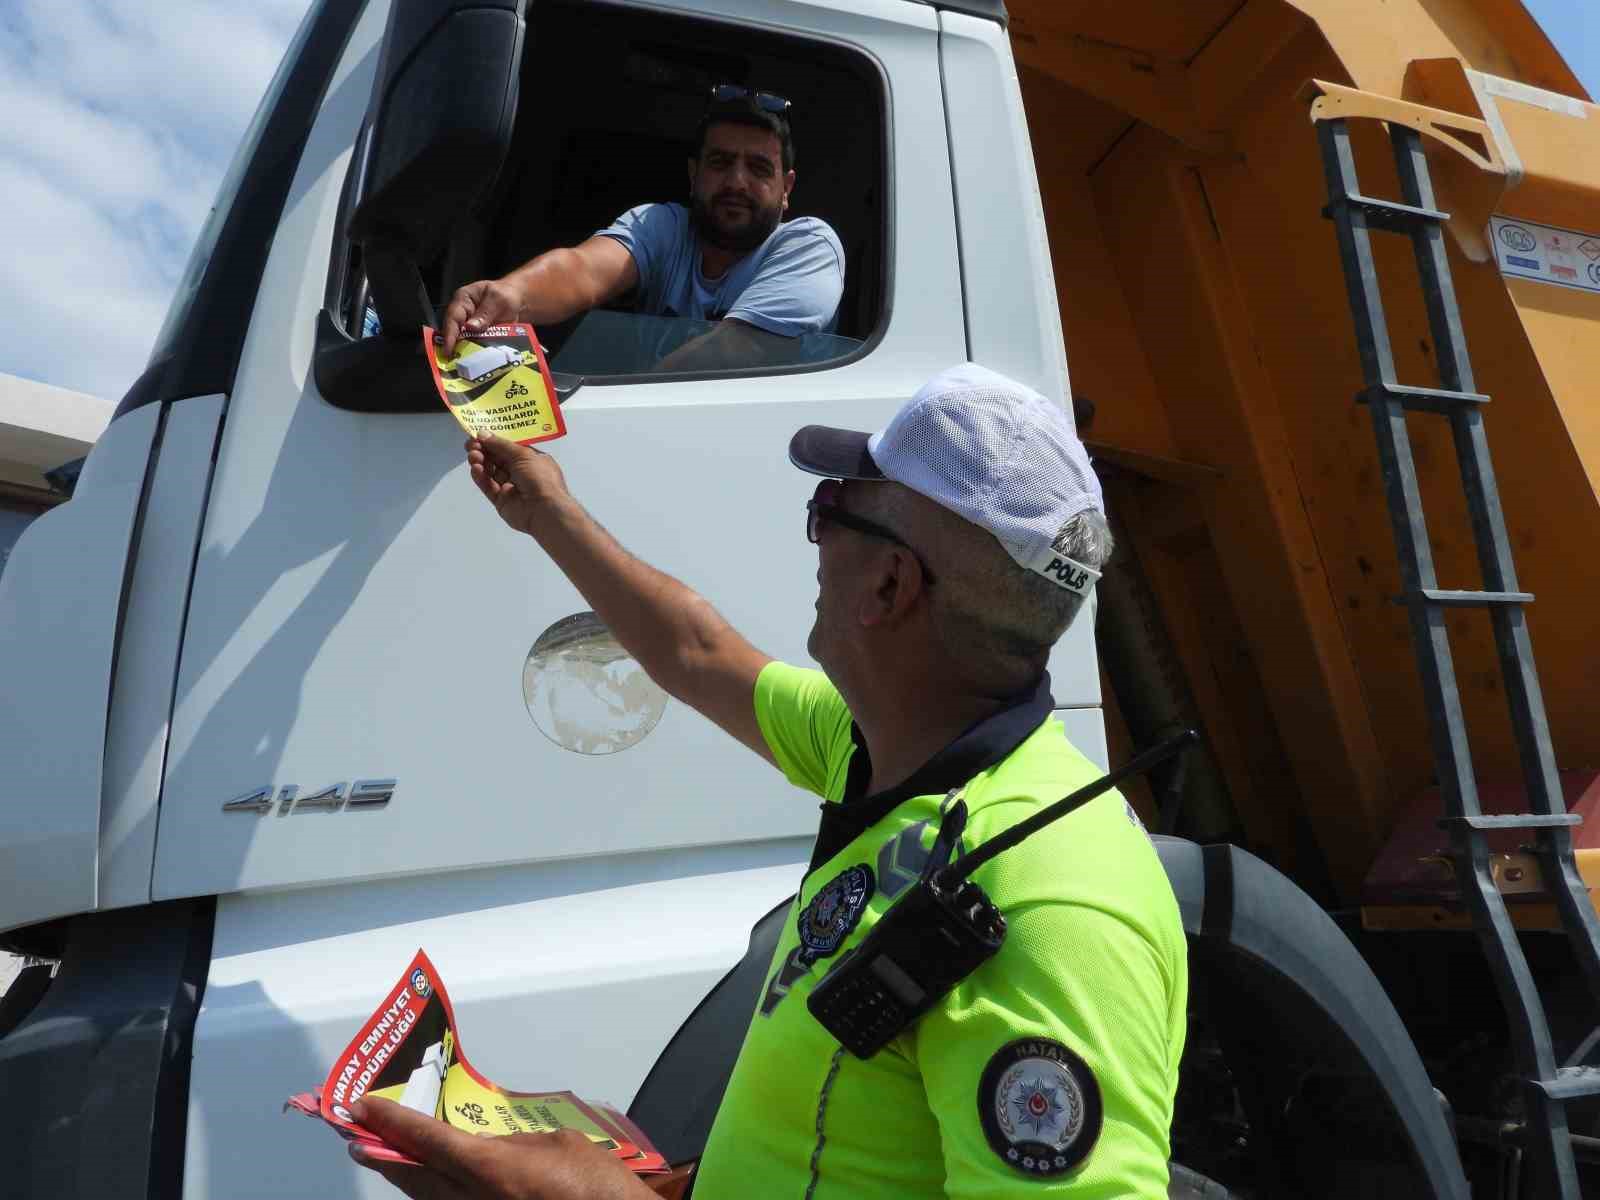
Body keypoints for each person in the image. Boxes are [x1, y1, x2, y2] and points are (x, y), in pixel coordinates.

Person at [349, 364, 1189, 1198]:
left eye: (830, 509)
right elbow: (697, 652)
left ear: (891, 583)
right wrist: (549, 512)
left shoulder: (1049, 905)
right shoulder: (880, 746)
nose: (816, 540)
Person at [438, 86, 845, 372]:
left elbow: (734, 350)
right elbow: (583, 268)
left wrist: (615, 400)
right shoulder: (663, 224)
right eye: (720, 162)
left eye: (758, 168)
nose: (736, 182)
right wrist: (511, 294)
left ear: (787, 188)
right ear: (693, 174)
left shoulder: (808, 245)